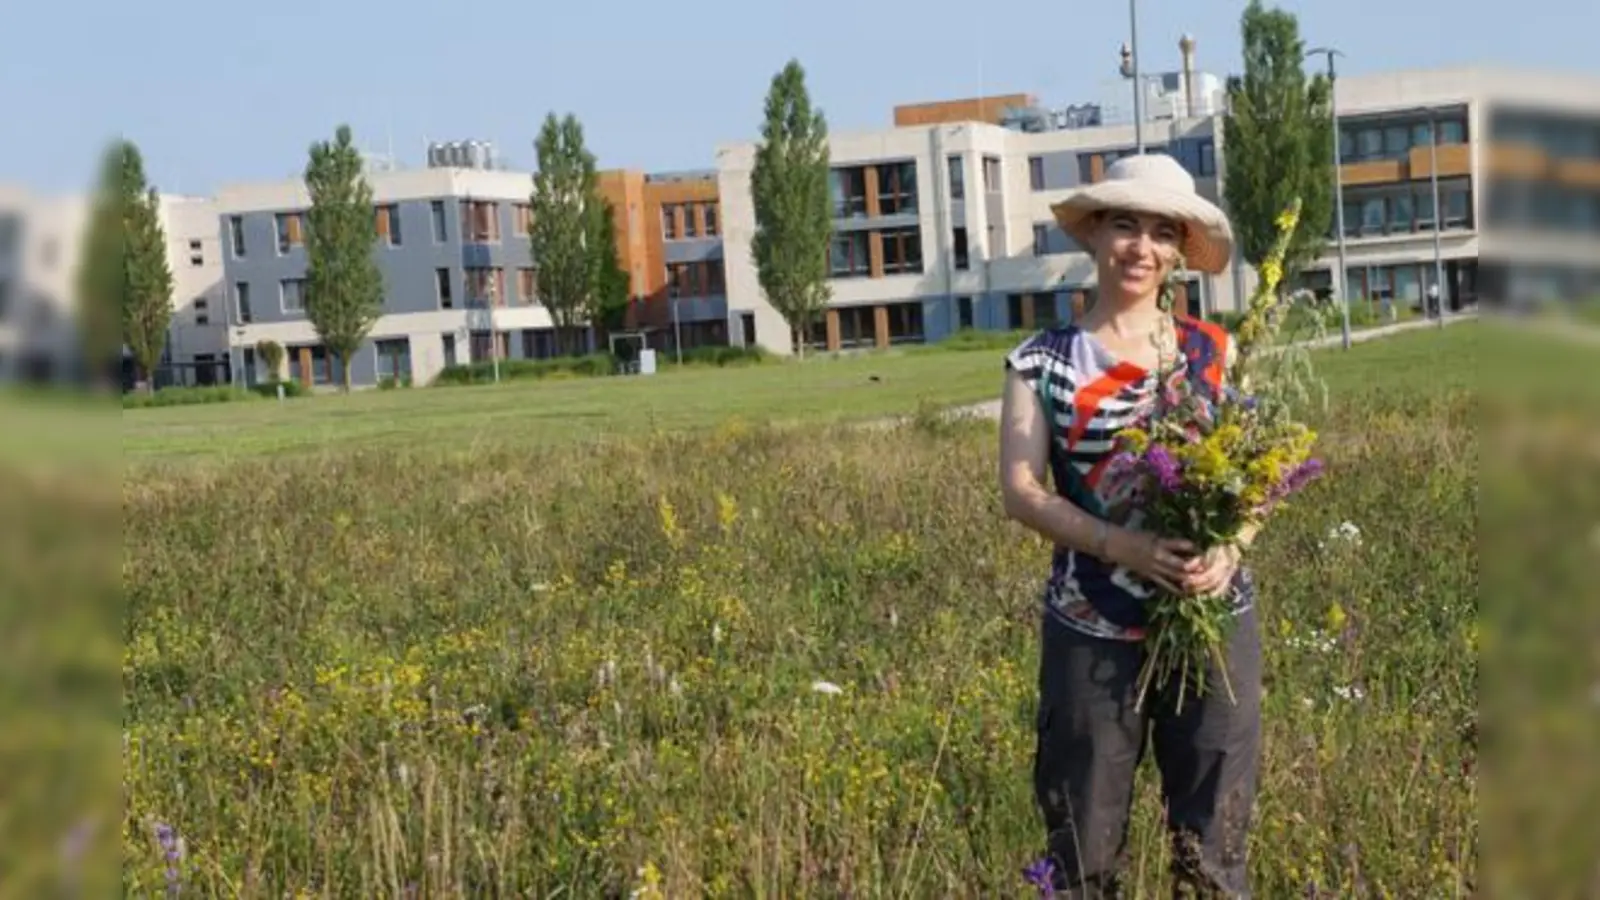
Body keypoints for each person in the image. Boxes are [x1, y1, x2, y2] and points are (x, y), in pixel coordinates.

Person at [998, 153, 1262, 898]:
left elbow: (1260, 479)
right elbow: (1020, 490)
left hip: (1211, 620)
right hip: (1093, 631)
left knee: (1214, 851)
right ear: (1094, 236)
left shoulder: (1214, 351)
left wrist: (1228, 547)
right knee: (1084, 847)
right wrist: (1126, 546)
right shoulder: (1040, 362)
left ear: (1179, 250)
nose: (1140, 247)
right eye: (1124, 225)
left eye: (1161, 231)